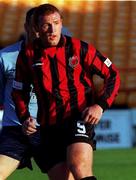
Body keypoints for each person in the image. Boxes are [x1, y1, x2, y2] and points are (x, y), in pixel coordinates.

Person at [12, 3, 120, 180]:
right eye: (46, 24)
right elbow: (18, 92)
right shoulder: (27, 56)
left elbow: (113, 75)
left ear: (62, 22)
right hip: (48, 127)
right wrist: (24, 118)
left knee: (79, 167)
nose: (52, 29)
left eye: (56, 22)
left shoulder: (80, 48)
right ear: (36, 28)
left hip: (77, 117)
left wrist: (100, 106)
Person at [0, 7, 41, 180]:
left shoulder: (60, 57)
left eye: (45, 25)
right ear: (26, 26)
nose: (40, 30)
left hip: (48, 131)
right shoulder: (5, 57)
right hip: (15, 130)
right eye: (36, 25)